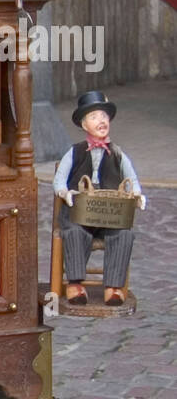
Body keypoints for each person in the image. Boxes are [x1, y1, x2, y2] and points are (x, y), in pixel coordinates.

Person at [53, 89, 145, 307]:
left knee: (123, 233)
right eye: (94, 117)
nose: (101, 121)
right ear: (85, 125)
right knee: (75, 232)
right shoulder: (74, 152)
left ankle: (113, 287)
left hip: (109, 214)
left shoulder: (118, 153)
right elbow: (59, 180)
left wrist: (138, 195)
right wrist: (66, 194)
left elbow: (132, 178)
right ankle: (75, 284)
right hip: (79, 213)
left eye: (104, 117)